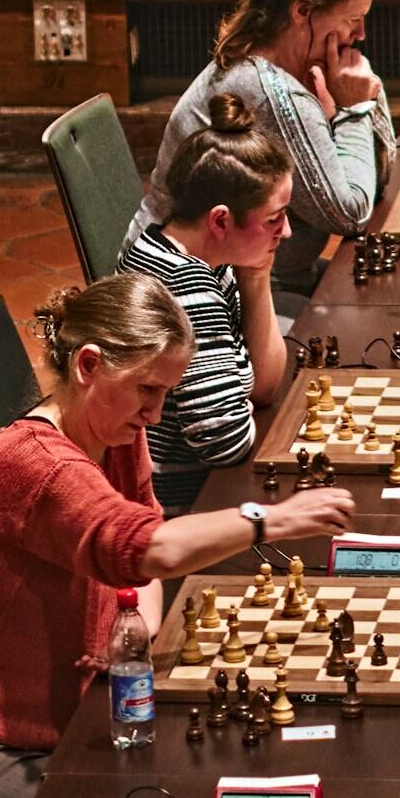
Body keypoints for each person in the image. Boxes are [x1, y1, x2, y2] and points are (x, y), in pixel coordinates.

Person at [0, 274, 354, 798]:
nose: (155, 415)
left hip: (59, 724)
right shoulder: (37, 466)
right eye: (146, 391)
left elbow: (146, 554)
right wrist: (271, 520)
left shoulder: (112, 432)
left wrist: (137, 631)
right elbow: (146, 548)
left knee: (196, 792)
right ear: (88, 365)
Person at [130, 0, 393, 307]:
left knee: (374, 295)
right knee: (360, 325)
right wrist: (354, 110)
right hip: (190, 298)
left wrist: (366, 93)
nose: (361, 34)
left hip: (272, 277)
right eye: (353, 19)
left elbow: (378, 178)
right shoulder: (269, 92)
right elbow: (350, 214)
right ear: (302, 11)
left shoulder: (286, 67)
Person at [119, 93, 293, 514]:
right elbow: (226, 442)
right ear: (219, 221)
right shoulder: (186, 285)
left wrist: (257, 274)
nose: (286, 232)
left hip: (201, 490)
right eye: (274, 218)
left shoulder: (185, 252)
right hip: (186, 507)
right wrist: (240, 391)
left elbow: (264, 388)